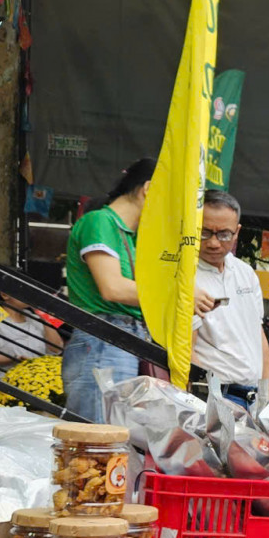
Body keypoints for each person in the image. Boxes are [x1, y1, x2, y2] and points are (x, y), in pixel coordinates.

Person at [61, 158, 154, 421]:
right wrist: (178, 300)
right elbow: (112, 288)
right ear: (148, 188)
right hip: (104, 339)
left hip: (121, 339)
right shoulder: (100, 221)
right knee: (99, 441)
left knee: (111, 443)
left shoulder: (128, 234)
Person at [190, 190, 269, 409]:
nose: (214, 243)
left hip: (254, 398)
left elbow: (260, 339)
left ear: (237, 232)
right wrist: (209, 399)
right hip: (218, 397)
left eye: (224, 234)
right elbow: (186, 349)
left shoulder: (245, 273)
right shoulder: (186, 277)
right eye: (205, 233)